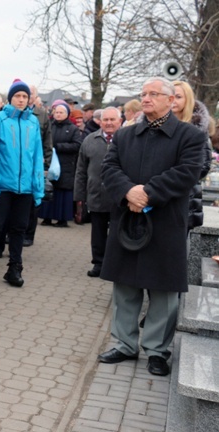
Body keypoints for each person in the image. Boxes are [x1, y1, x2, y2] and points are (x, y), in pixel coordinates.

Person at [98, 77, 206, 376]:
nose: (145, 99)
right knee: (125, 286)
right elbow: (109, 168)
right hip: (128, 220)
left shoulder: (190, 136)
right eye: (143, 94)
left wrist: (147, 194)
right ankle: (124, 344)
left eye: (153, 94)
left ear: (171, 100)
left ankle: (157, 350)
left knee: (163, 291)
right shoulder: (125, 135)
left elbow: (187, 173)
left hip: (165, 222)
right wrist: (128, 191)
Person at [0, 79, 43, 288]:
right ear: (11, 98)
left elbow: (37, 155)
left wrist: (37, 185)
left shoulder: (33, 122)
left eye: (25, 96)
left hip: (24, 187)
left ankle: (14, 269)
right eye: (18, 96)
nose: (21, 100)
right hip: (3, 185)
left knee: (19, 228)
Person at [74, 107, 122, 277]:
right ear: (100, 122)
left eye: (112, 120)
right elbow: (81, 170)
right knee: (98, 233)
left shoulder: (126, 140)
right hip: (96, 195)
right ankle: (99, 264)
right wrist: (79, 197)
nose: (108, 123)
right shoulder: (89, 140)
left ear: (120, 121)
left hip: (120, 198)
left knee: (118, 234)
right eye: (105, 120)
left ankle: (116, 265)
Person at [171, 80, 215, 231]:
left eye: (178, 97)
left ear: (187, 99)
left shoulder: (197, 130)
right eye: (171, 96)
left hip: (186, 194)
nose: (173, 101)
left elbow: (204, 165)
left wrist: (178, 177)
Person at [39, 103, 82, 227]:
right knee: (48, 189)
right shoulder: (49, 126)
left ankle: (62, 219)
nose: (58, 114)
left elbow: (77, 145)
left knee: (63, 192)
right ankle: (46, 217)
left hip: (65, 165)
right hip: (49, 162)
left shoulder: (73, 128)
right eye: (56, 112)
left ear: (67, 114)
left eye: (61, 112)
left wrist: (59, 147)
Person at [23, 84, 54, 247]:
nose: (26, 98)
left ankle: (29, 235)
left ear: (35, 97)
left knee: (34, 201)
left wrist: (46, 164)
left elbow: (47, 141)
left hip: (37, 164)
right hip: (20, 164)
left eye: (30, 95)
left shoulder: (41, 115)